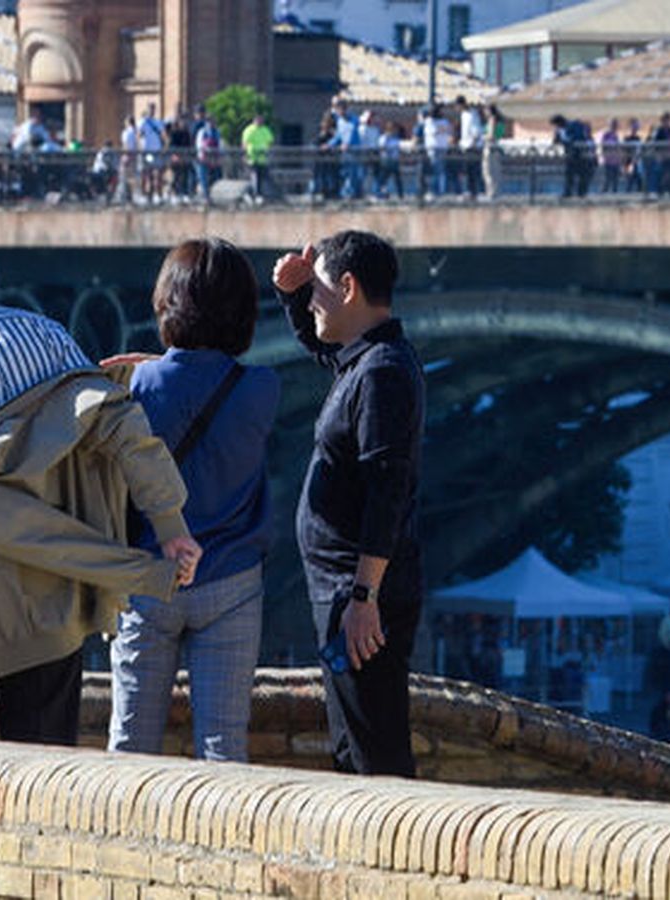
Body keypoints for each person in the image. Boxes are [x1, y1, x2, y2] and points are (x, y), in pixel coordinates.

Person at [0, 220, 200, 743]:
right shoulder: (48, 335)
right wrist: (169, 524)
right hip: (47, 596)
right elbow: (122, 427)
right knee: (44, 766)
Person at [108, 239, 280, 762]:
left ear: (167, 303)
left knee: (130, 747)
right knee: (224, 747)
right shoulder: (263, 387)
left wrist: (157, 364)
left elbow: (170, 386)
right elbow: (207, 382)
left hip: (148, 579)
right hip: (231, 582)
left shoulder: (140, 383)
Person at [271, 231, 425, 776]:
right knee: (350, 751)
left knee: (374, 757)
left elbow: (389, 487)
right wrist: (292, 296)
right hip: (344, 592)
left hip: (360, 598)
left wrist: (365, 596)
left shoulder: (382, 373)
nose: (311, 301)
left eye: (317, 289)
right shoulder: (363, 363)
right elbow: (321, 344)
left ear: (349, 286)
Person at [241, 112, 274, 204]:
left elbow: (270, 141)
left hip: (262, 159)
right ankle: (256, 195)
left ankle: (250, 194)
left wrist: (267, 151)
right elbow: (244, 143)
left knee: (262, 178)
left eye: (261, 120)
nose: (260, 121)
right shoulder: (249, 130)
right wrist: (245, 155)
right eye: (258, 120)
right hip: (252, 158)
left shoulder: (265, 129)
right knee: (255, 177)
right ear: (254, 120)